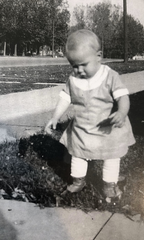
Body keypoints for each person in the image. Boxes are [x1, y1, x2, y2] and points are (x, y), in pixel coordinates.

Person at [45, 29, 135, 198]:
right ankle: (78, 181)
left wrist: (122, 112)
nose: (79, 70)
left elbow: (123, 97)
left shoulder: (110, 76)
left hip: (107, 128)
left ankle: (109, 184)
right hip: (82, 128)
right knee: (78, 154)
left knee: (111, 156)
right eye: (74, 65)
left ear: (98, 56)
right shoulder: (73, 79)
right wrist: (55, 116)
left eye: (83, 64)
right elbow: (65, 97)